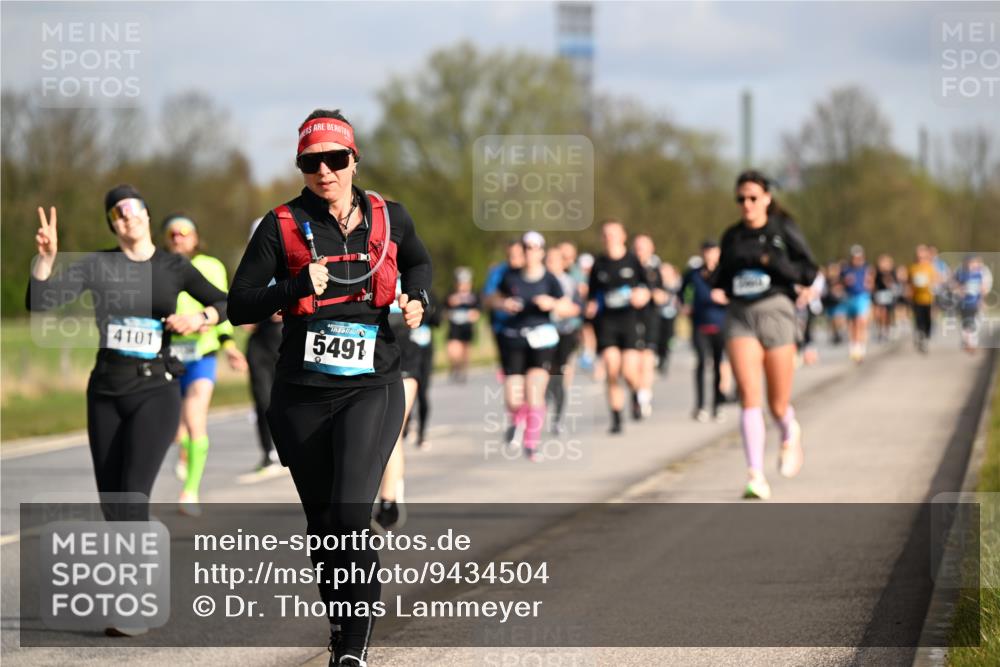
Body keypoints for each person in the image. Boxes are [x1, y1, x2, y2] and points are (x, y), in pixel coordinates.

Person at [228, 109, 431, 667]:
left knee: (348, 516)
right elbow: (239, 304)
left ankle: (356, 645)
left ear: (353, 160)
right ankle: (340, 627)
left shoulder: (391, 216)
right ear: (302, 167)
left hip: (373, 385)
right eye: (312, 162)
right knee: (322, 526)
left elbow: (418, 263)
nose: (325, 171)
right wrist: (293, 285)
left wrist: (419, 298)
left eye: (335, 160)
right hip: (301, 392)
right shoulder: (281, 225)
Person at [27, 187, 228, 637]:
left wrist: (200, 319)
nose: (127, 217)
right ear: (112, 224)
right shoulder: (99, 265)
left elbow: (224, 302)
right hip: (105, 392)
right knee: (112, 501)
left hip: (156, 390)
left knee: (133, 496)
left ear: (147, 216)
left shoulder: (174, 266)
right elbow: (40, 301)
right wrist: (46, 259)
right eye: (117, 213)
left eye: (134, 209)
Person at [712, 171, 818, 500]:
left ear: (767, 198)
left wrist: (771, 261)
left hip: (775, 311)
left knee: (777, 404)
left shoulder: (782, 229)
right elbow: (721, 278)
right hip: (740, 314)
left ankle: (788, 429)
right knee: (748, 395)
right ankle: (755, 475)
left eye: (753, 198)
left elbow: (808, 272)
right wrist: (716, 280)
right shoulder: (732, 236)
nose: (747, 204)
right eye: (741, 199)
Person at [162, 214, 247, 515]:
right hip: (168, 355)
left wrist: (229, 346)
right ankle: (183, 449)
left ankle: (190, 491)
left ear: (196, 238)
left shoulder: (211, 267)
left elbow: (223, 308)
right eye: (172, 233)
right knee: (175, 429)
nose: (178, 238)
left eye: (184, 233)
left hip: (202, 353)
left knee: (195, 418)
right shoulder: (157, 266)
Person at [488, 232, 572, 461]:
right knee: (513, 399)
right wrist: (503, 303)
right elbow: (491, 299)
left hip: (542, 340)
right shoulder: (510, 276)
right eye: (526, 247)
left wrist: (552, 303)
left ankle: (531, 444)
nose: (530, 252)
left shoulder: (550, 279)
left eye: (535, 248)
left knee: (535, 391)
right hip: (514, 339)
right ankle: (518, 420)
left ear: (542, 252)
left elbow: (568, 307)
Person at [586, 220, 650, 434]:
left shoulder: (632, 260)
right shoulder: (599, 263)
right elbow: (592, 295)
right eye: (606, 234)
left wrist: (642, 295)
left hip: (629, 321)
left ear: (623, 236)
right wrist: (591, 306)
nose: (609, 238)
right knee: (612, 370)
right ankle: (616, 418)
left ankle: (636, 394)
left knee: (628, 372)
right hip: (607, 323)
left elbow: (646, 288)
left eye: (613, 233)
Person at [681, 241, 729, 422]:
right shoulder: (693, 273)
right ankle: (700, 406)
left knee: (718, 365)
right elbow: (681, 291)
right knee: (701, 362)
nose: (709, 255)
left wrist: (726, 298)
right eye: (707, 251)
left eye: (713, 251)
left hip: (720, 323)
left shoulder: (724, 272)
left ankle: (717, 405)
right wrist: (685, 304)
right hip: (699, 324)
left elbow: (734, 291)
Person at [545, 244, 584, 434]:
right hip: (542, 334)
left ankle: (557, 419)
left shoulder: (569, 282)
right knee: (543, 374)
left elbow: (578, 307)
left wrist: (561, 308)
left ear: (563, 263)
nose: (551, 264)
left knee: (558, 376)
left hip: (565, 333)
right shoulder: (539, 281)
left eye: (555, 260)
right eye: (548, 260)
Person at [632, 234, 665, 419]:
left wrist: (652, 294)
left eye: (643, 247)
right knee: (632, 363)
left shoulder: (655, 268)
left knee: (647, 359)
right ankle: (637, 394)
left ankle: (643, 397)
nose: (640, 251)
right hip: (630, 319)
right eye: (637, 247)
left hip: (650, 318)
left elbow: (662, 294)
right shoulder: (629, 267)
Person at [444, 267, 480, 383]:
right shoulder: (451, 295)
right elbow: (444, 311)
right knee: (453, 351)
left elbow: (478, 311)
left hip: (467, 328)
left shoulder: (474, 296)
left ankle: (462, 371)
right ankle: (455, 367)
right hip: (454, 328)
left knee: (464, 351)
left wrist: (473, 314)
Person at [840, 245, 874, 363]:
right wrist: (845, 282)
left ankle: (860, 347)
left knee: (861, 322)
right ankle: (854, 345)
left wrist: (868, 284)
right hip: (850, 298)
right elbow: (841, 283)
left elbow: (871, 283)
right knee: (852, 323)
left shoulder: (866, 268)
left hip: (862, 297)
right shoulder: (846, 269)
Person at [953, 255, 989, 353]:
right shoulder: (961, 274)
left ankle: (971, 342)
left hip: (975, 303)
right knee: (966, 323)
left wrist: (982, 301)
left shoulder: (979, 274)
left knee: (975, 323)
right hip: (964, 303)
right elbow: (955, 286)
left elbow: (983, 289)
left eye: (974, 263)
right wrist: (960, 290)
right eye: (970, 263)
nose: (972, 265)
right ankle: (968, 342)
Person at [907, 244, 938, 354]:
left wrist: (933, 285)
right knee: (918, 319)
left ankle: (926, 337)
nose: (920, 257)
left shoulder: (930, 267)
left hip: (928, 299)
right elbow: (909, 282)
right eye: (918, 255)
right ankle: (921, 336)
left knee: (928, 320)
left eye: (922, 255)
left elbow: (936, 280)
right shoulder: (912, 268)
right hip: (916, 298)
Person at [656, 262, 682, 376]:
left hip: (671, 314)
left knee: (669, 336)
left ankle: (666, 355)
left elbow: (681, 297)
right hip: (659, 314)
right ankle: (660, 356)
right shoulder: (658, 282)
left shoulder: (677, 283)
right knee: (659, 337)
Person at [872, 253, 897, 343]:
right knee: (878, 313)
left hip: (887, 294)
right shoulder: (877, 271)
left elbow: (892, 283)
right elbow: (873, 283)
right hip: (879, 293)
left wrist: (887, 277)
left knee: (886, 313)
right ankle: (880, 330)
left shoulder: (891, 272)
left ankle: (886, 330)